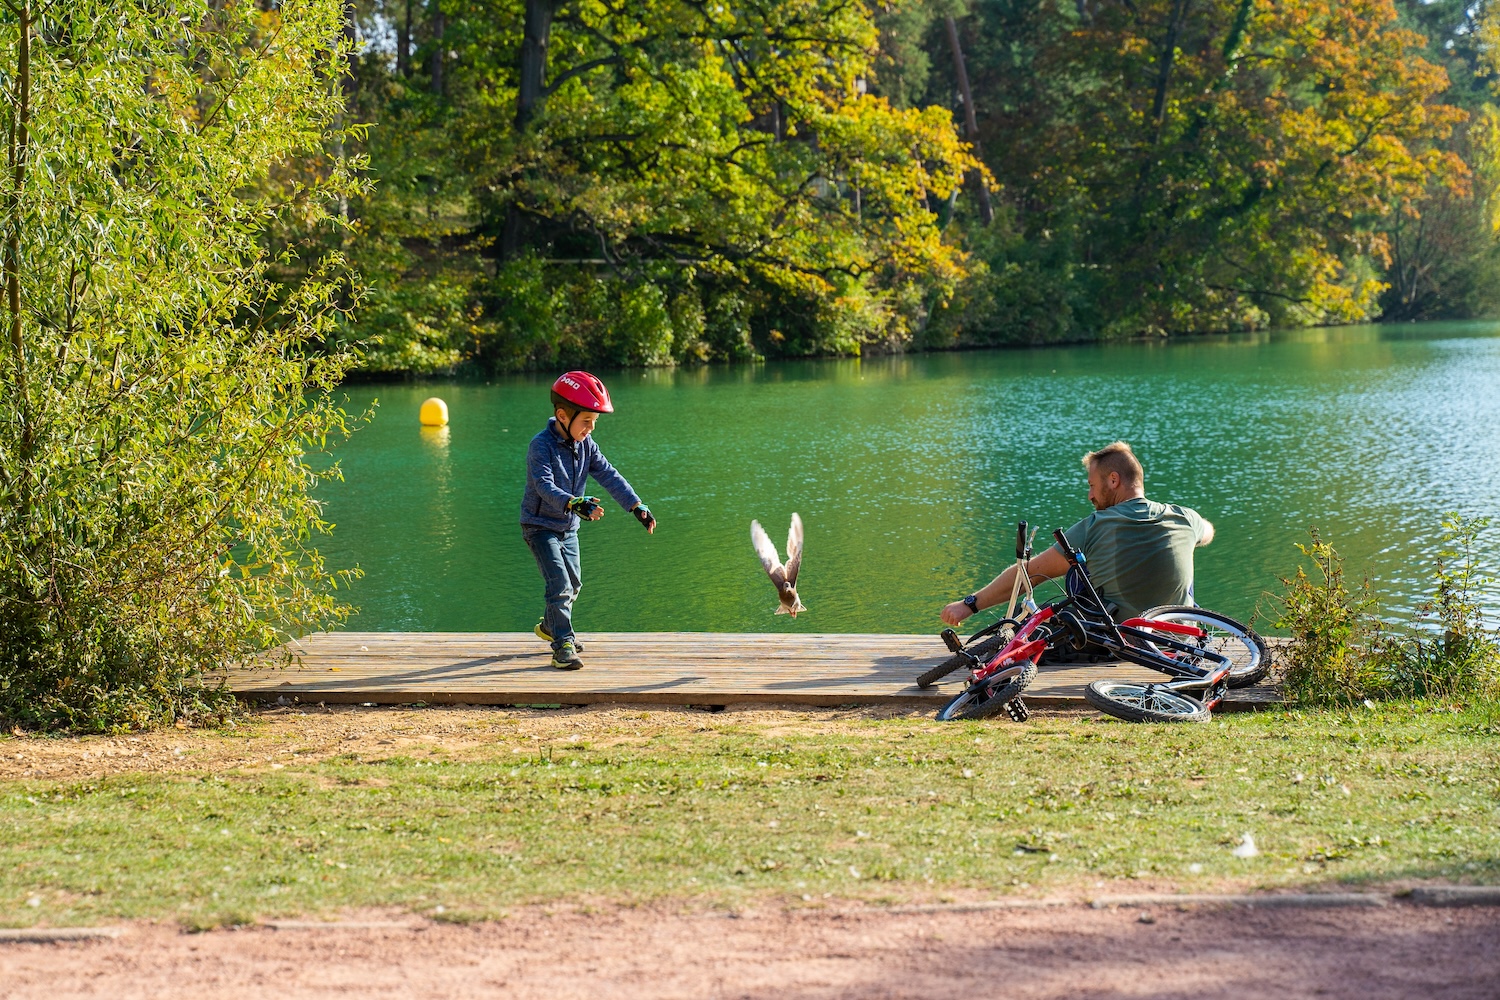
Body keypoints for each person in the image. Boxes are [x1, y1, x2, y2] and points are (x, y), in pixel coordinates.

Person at [940, 441, 1213, 627]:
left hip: (1125, 642)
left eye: (1092, 485)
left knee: (1073, 579)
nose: (1090, 495)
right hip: (1179, 641)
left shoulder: (1096, 525)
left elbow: (1031, 574)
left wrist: (970, 604)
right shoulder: (1184, 518)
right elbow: (1208, 530)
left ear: (1114, 480)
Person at [521, 371, 656, 670]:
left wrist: (635, 505)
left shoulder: (586, 445)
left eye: (595, 422)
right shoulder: (540, 446)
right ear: (562, 415)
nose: (591, 428)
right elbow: (543, 485)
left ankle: (550, 626)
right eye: (586, 421)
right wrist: (572, 502)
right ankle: (562, 644)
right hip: (540, 526)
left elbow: (609, 475)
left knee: (575, 584)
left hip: (568, 528)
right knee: (560, 584)